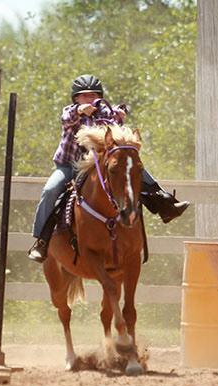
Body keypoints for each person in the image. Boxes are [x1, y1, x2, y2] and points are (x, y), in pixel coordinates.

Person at [28, 74, 189, 262]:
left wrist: (120, 113)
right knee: (50, 190)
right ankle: (42, 240)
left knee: (133, 171)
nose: (89, 99)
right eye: (84, 96)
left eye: (93, 95)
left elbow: (118, 112)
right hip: (69, 166)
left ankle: (166, 205)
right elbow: (67, 117)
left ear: (99, 97)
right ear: (76, 98)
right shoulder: (71, 112)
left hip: (97, 165)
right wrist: (80, 110)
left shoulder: (103, 112)